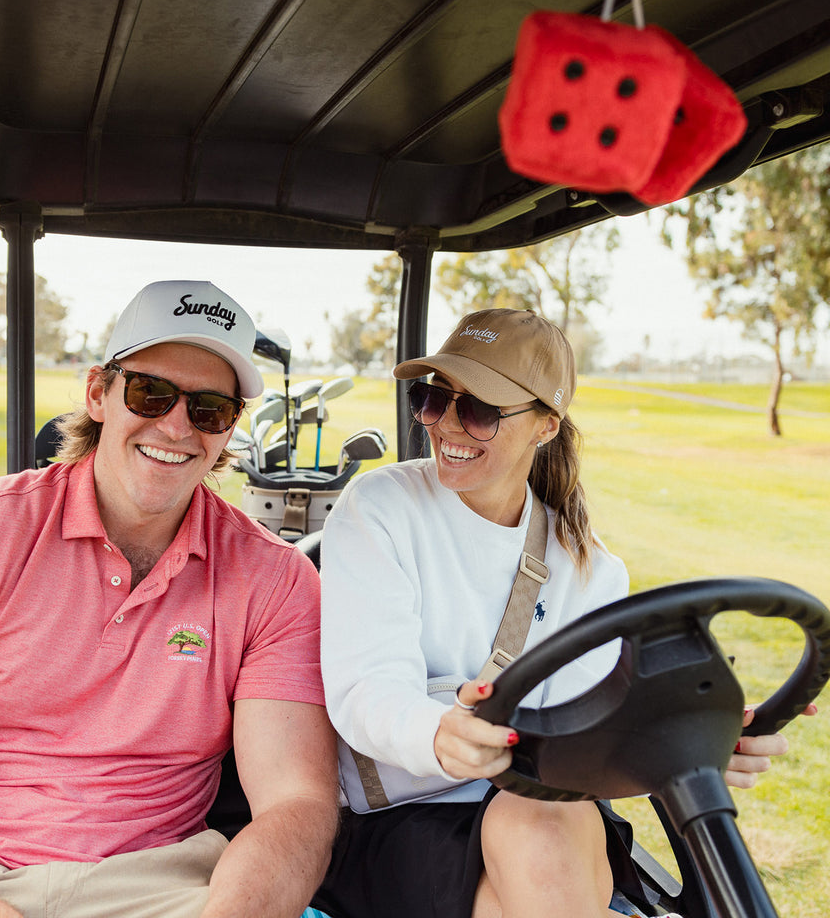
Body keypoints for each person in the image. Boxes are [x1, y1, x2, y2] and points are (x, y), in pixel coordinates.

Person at [0, 279, 340, 918]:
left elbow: (296, 803)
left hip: (158, 886)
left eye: (208, 410)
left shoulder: (275, 579)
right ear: (98, 393)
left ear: (229, 429)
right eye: (151, 392)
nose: (175, 426)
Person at [314, 307, 815, 918]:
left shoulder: (589, 567)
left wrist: (691, 739)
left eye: (479, 411)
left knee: (541, 822)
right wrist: (439, 734)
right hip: (402, 816)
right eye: (432, 399)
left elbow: (587, 736)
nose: (446, 424)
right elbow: (367, 685)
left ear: (545, 427)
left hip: (538, 810)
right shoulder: (383, 508)